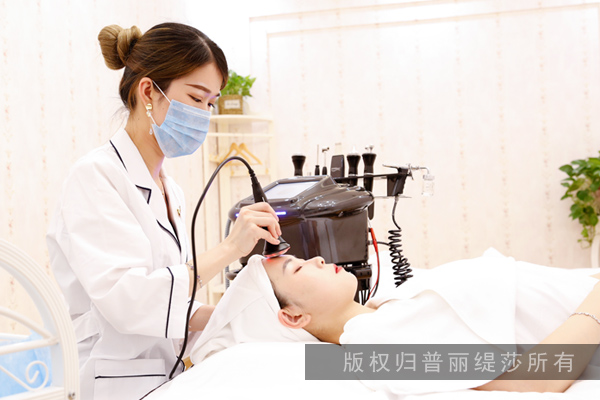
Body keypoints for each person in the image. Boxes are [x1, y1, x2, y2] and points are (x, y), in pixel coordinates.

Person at [46, 23, 282, 400]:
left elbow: (170, 304)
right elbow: (130, 301)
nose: (204, 114)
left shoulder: (170, 190)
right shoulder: (95, 177)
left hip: (164, 378)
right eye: (196, 98)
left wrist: (241, 314)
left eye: (211, 103)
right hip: (111, 382)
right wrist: (229, 249)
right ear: (148, 92)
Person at [190, 252, 600, 396]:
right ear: (294, 317)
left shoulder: (383, 309)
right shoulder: (372, 348)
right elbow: (537, 378)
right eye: (298, 268)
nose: (317, 259)